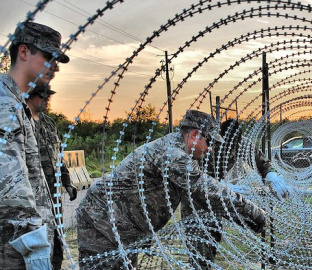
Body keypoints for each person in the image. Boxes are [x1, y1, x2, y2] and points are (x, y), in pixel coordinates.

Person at [76, 110, 266, 269]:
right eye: (209, 142)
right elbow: (206, 189)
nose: (210, 150)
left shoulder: (179, 150)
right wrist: (254, 213)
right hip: (102, 224)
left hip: (120, 229)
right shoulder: (172, 154)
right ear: (194, 135)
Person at [0, 22, 69, 269]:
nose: (55, 66)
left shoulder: (17, 104)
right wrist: (34, 244)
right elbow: (9, 184)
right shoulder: (5, 105)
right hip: (13, 246)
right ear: (24, 52)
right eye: (48, 57)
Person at [181, 118, 292, 269]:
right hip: (196, 199)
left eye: (234, 140)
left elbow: (262, 162)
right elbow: (195, 175)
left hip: (216, 199)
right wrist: (222, 186)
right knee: (198, 245)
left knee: (213, 236)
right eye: (228, 141)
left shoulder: (242, 143)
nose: (231, 145)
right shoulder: (207, 144)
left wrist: (272, 176)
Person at [26, 85, 77, 270]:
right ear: (30, 96)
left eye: (49, 96)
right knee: (38, 237)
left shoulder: (49, 123)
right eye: (43, 96)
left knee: (57, 235)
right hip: (33, 195)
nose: (48, 99)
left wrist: (67, 182)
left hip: (53, 193)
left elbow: (59, 157)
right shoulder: (21, 123)